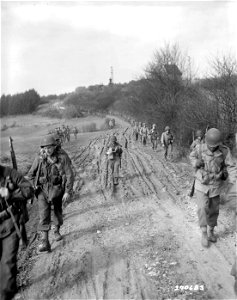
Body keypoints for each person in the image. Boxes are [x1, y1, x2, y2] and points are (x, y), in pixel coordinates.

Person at [189, 128, 236, 248]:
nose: (212, 148)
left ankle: (211, 231)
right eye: (210, 145)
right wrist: (195, 163)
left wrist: (232, 182)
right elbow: (191, 157)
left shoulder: (224, 151)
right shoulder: (199, 148)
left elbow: (231, 166)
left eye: (214, 146)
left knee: (214, 210)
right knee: (202, 208)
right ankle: (204, 233)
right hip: (202, 183)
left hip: (216, 185)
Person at [27, 134, 74, 253]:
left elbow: (69, 175)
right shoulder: (39, 158)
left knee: (57, 211)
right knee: (44, 214)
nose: (47, 150)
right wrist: (34, 184)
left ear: (54, 146)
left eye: (49, 148)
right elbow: (31, 174)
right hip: (42, 191)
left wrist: (67, 191)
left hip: (57, 189)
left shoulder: (62, 157)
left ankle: (56, 229)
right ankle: (45, 241)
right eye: (45, 148)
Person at [0, 164, 34, 300]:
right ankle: (11, 288)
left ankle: (6, 294)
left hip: (10, 222)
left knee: (8, 261)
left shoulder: (9, 173)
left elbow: (29, 190)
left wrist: (11, 194)